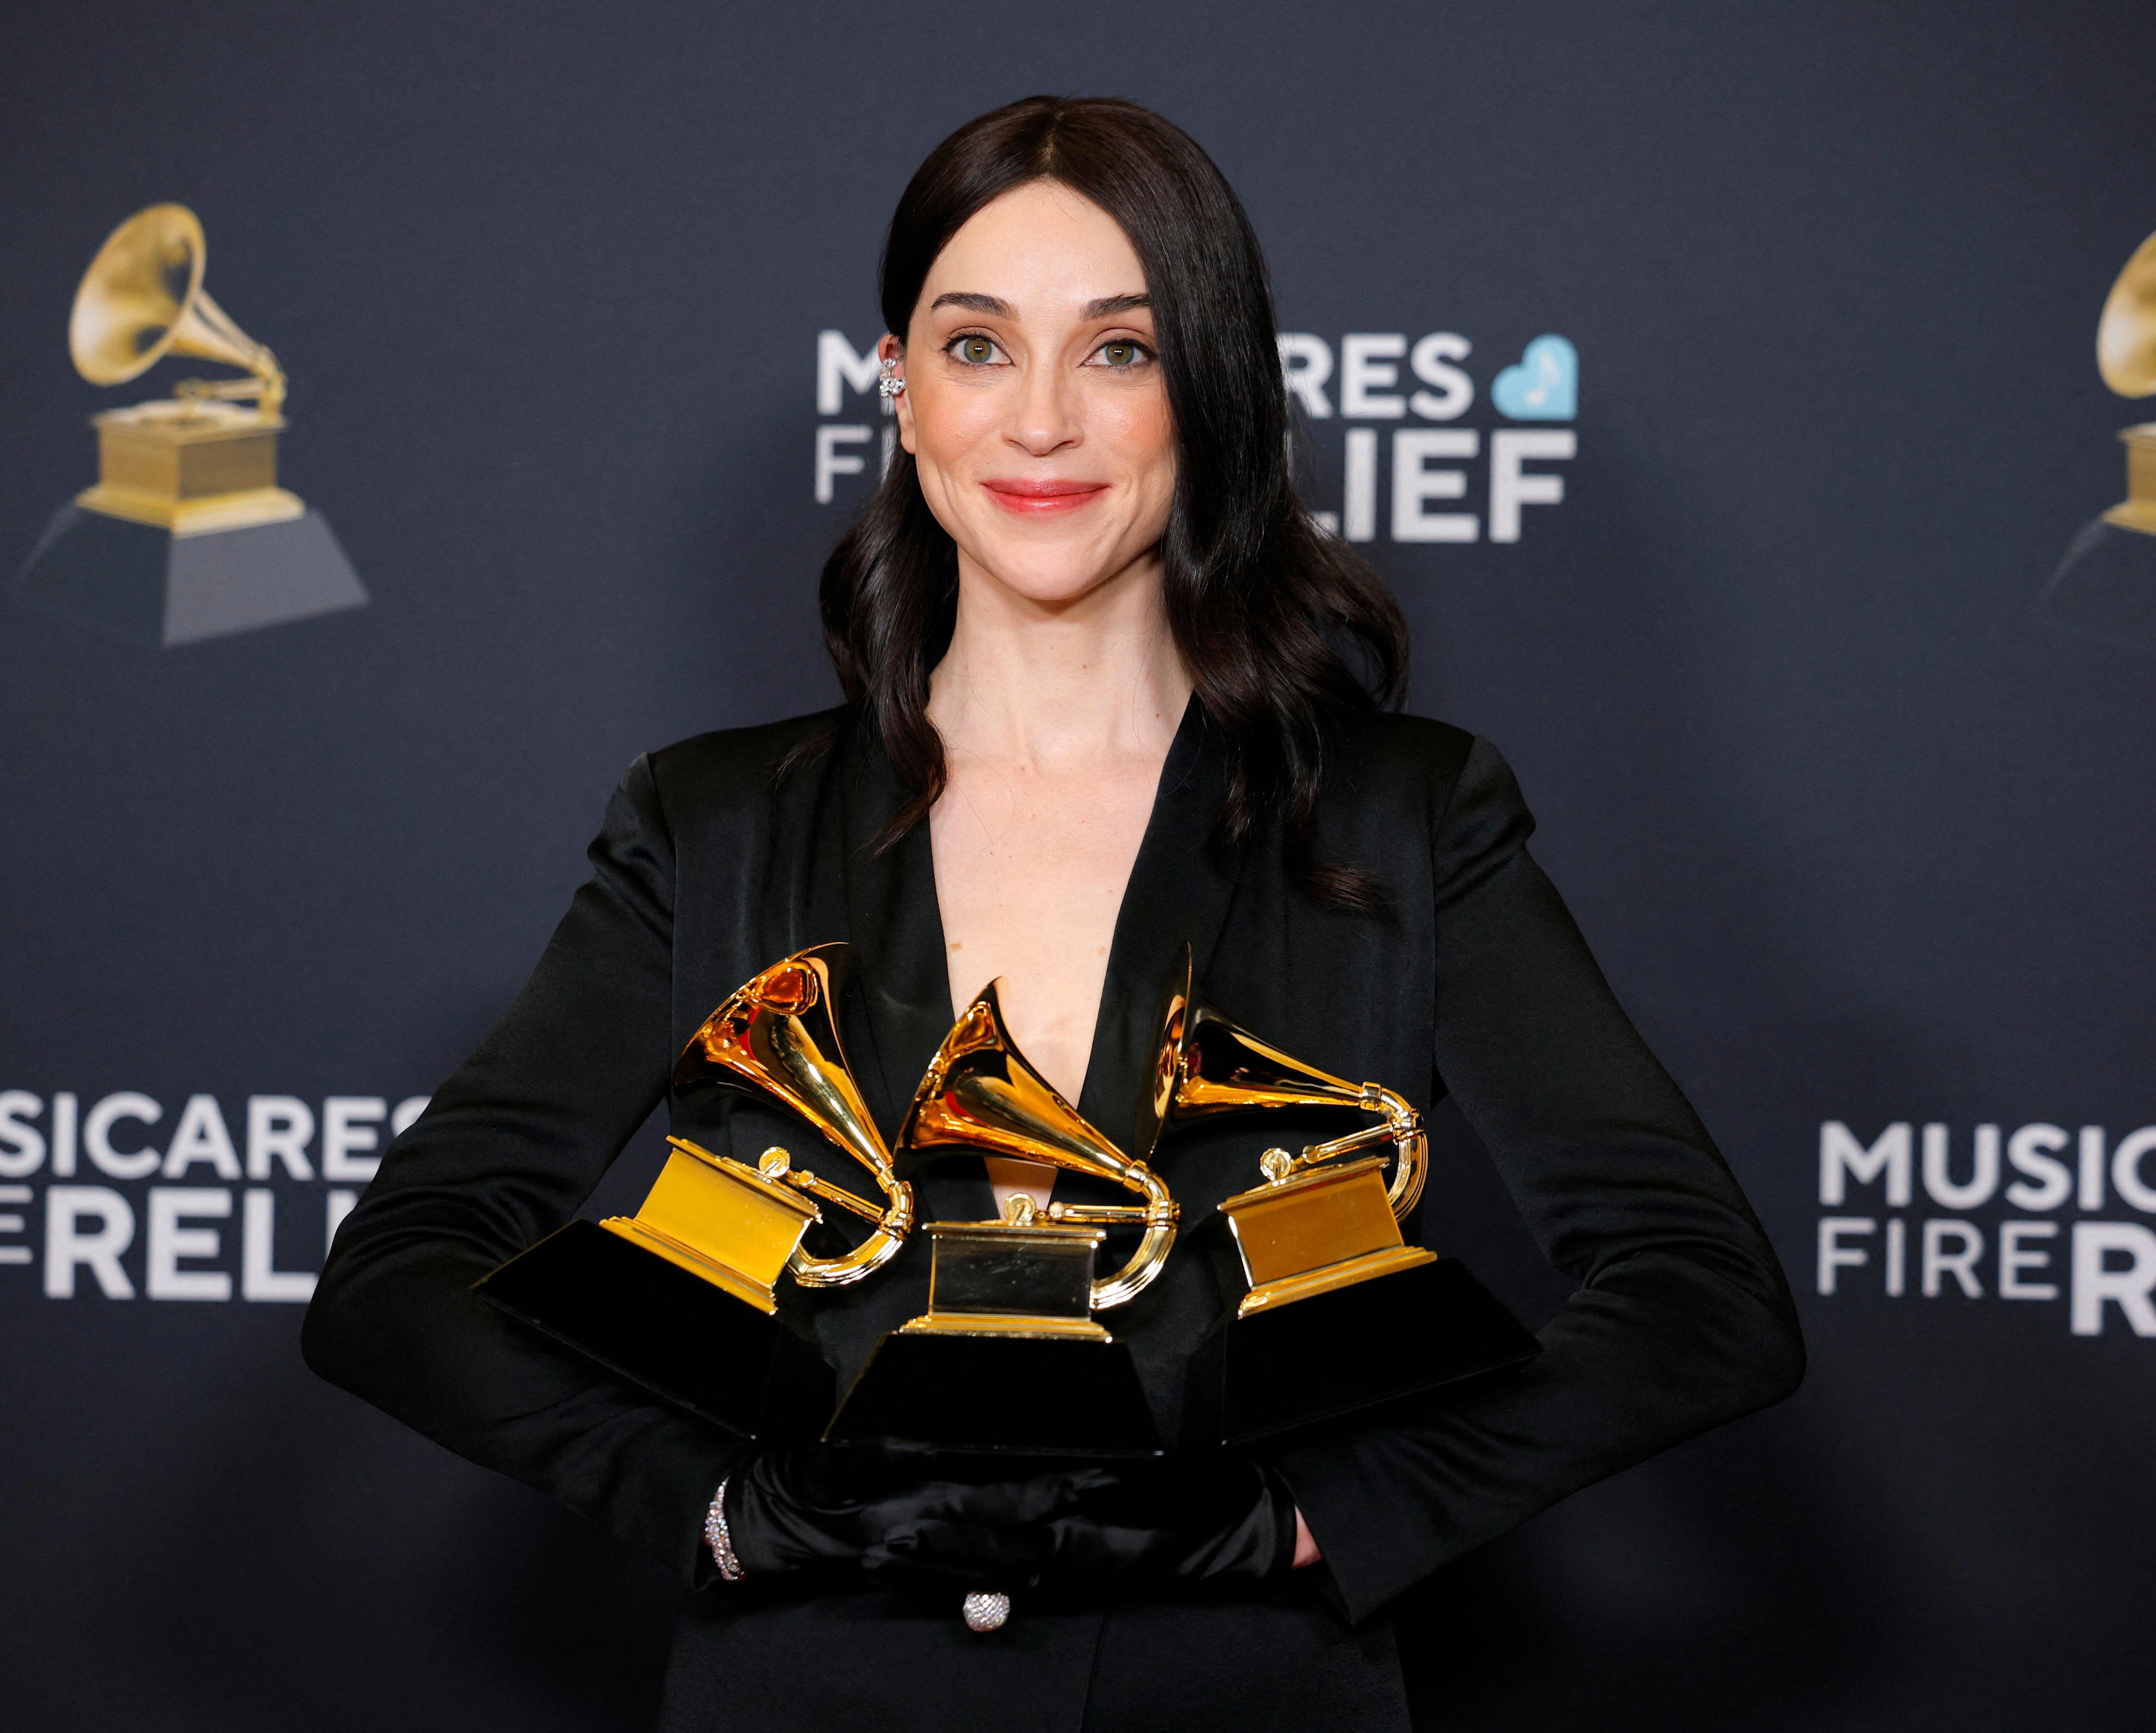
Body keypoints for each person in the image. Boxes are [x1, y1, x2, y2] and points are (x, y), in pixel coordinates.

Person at [303, 95, 1802, 1732]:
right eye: (976, 346)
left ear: (1214, 394)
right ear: (898, 385)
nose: (1038, 423)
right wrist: (720, 1503)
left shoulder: (1405, 814)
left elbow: (1698, 1294)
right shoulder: (711, 821)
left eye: (1117, 352)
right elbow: (398, 1274)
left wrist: (1325, 1514)